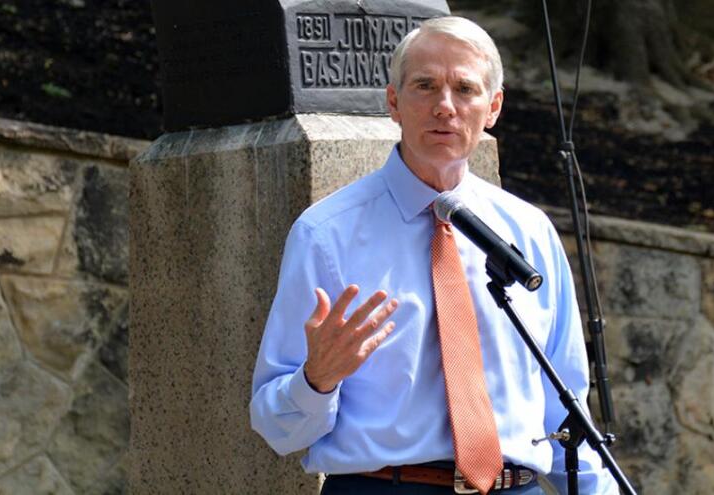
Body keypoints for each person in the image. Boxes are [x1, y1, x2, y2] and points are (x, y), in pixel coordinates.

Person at [250, 15, 618, 495]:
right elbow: (277, 429)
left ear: (493, 108)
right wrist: (316, 379)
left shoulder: (530, 233)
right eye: (425, 86)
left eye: (464, 89)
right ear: (393, 102)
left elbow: (567, 405)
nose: (445, 106)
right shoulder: (326, 234)